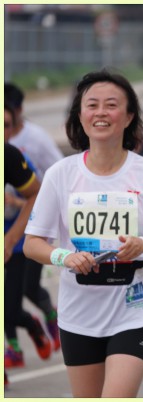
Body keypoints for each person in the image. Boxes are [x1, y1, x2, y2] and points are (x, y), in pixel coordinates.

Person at [23, 69, 143, 398]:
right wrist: (65, 256)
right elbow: (32, 244)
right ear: (79, 115)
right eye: (92, 105)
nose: (101, 113)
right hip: (78, 311)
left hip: (135, 308)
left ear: (129, 116)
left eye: (111, 105)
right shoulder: (60, 174)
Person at [5, 82, 63, 352]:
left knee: (26, 289)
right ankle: (14, 351)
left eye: (7, 124)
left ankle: (50, 317)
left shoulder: (29, 143)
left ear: (18, 111)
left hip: (30, 228)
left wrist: (18, 205)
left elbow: (58, 176)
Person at [4, 142, 42, 387]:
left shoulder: (7, 154)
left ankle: (34, 324)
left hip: (17, 247)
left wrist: (10, 239)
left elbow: (37, 194)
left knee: (10, 309)